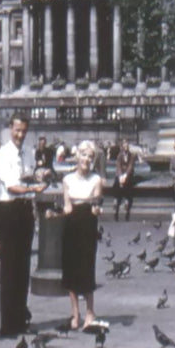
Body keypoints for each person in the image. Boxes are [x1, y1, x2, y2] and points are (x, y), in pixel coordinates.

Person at [0, 113, 48, 337]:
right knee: (9, 269)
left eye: (24, 131)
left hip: (25, 211)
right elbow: (11, 187)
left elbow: (27, 176)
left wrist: (39, 175)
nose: (20, 135)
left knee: (23, 268)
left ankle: (20, 317)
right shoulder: (3, 153)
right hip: (8, 211)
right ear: (10, 129)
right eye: (17, 130)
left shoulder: (28, 152)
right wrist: (33, 189)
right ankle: (8, 324)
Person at [61, 140, 104, 329]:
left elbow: (96, 204)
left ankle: (90, 311)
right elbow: (67, 206)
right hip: (71, 224)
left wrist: (96, 209)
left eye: (90, 156)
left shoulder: (96, 180)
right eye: (84, 154)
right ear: (77, 156)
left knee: (87, 268)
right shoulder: (67, 180)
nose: (86, 159)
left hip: (88, 224)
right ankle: (75, 313)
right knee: (71, 269)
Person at [112, 138, 136, 221]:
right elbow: (118, 166)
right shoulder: (119, 155)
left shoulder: (132, 155)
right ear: (122, 147)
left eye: (127, 146)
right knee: (117, 182)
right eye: (124, 146)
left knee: (127, 183)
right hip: (121, 174)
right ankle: (116, 200)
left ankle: (125, 200)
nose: (126, 147)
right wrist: (120, 176)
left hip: (128, 174)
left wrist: (125, 175)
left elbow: (130, 166)